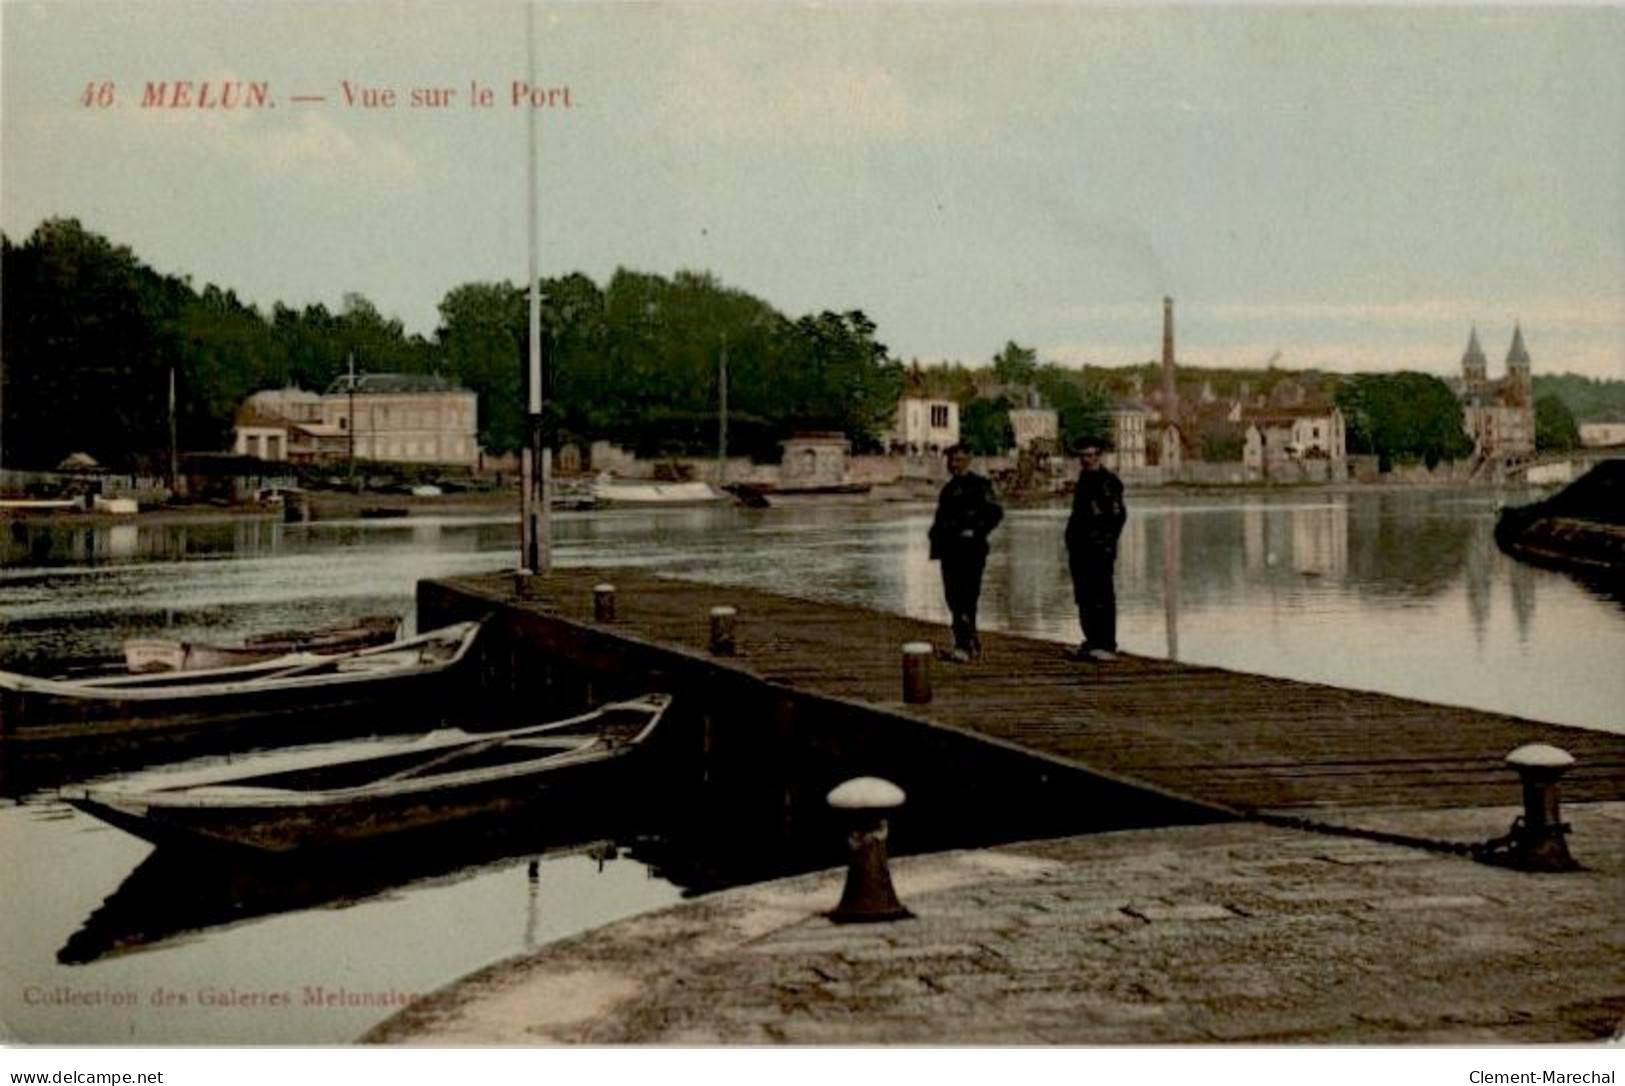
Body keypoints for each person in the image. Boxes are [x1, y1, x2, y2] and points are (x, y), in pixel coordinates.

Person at [928, 445, 1003, 662]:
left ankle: (966, 645)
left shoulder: (980, 485)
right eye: (952, 460)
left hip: (970, 550)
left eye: (959, 460)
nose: (954, 464)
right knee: (954, 598)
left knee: (966, 597)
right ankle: (966, 642)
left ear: (968, 460)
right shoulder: (949, 488)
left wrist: (975, 531)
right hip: (950, 550)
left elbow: (995, 513)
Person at [1065, 436, 1126, 661]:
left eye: (1091, 456)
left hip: (1100, 549)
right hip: (1080, 548)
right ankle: (1091, 641)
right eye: (1083, 456)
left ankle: (1107, 644)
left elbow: (1118, 516)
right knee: (1083, 595)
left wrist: (1107, 542)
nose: (1087, 460)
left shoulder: (1109, 482)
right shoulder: (1083, 480)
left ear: (1099, 456)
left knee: (1102, 594)